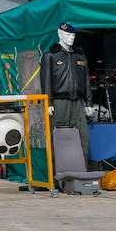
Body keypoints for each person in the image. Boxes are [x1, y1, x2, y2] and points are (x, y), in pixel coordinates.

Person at [41, 21, 92, 162]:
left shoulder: (79, 56)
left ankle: (82, 172)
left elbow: (86, 80)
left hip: (77, 103)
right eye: (68, 35)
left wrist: (88, 103)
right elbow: (46, 81)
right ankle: (58, 176)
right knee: (57, 138)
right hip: (59, 103)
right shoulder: (50, 55)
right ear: (60, 34)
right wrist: (48, 102)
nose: (71, 38)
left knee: (83, 137)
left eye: (73, 35)